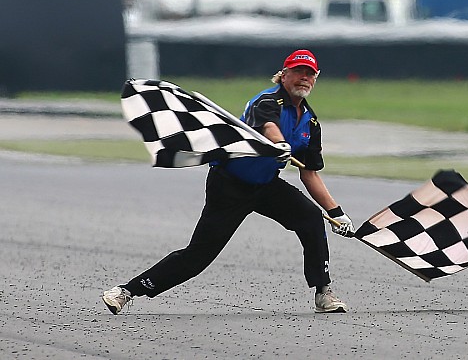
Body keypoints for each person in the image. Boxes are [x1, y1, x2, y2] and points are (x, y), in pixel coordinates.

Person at [102, 49, 356, 314]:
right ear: (284, 75)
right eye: (298, 72)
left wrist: (337, 213)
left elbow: (310, 173)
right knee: (198, 256)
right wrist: (279, 143)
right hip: (229, 186)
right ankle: (127, 290)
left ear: (315, 78)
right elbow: (268, 126)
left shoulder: (310, 123)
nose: (304, 78)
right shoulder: (266, 101)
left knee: (311, 218)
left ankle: (323, 292)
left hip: (266, 185)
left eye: (310, 73)